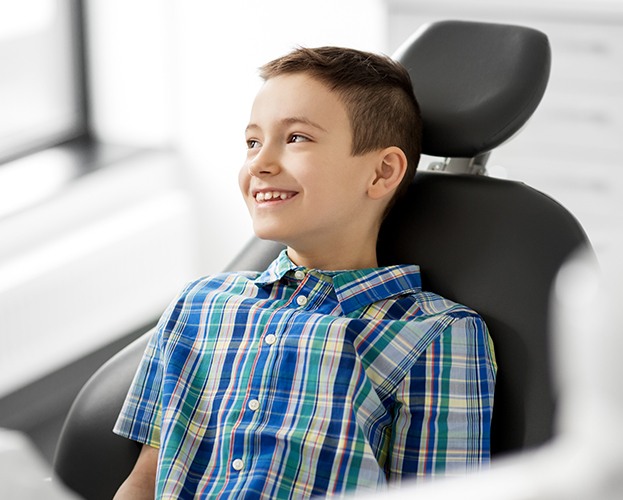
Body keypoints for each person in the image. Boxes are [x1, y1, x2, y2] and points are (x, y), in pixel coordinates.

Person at [113, 46, 497, 499]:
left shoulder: (433, 335)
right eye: (253, 142)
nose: (259, 163)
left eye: (296, 138)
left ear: (382, 172)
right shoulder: (200, 305)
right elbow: (145, 480)